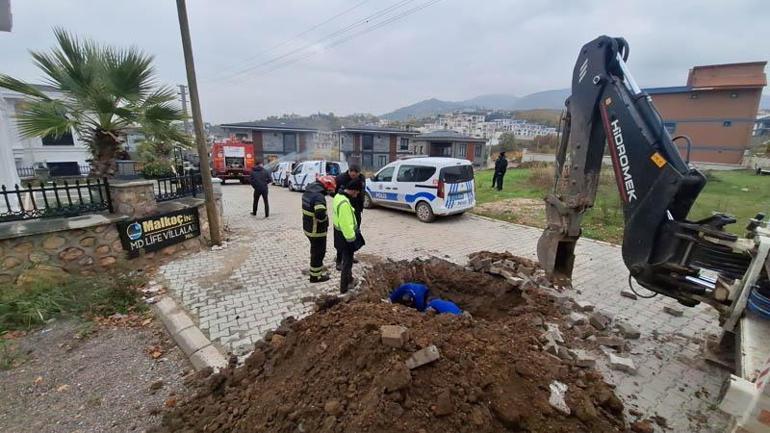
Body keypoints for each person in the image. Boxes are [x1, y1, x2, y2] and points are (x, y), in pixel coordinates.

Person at [302, 175, 336, 283]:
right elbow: (320, 214)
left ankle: (316, 272)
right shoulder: (319, 197)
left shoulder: (309, 190)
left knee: (314, 251)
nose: (329, 192)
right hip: (316, 230)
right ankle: (315, 277)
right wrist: (326, 219)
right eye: (329, 189)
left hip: (308, 227)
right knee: (318, 253)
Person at [332, 180, 365, 294]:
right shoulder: (344, 203)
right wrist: (352, 240)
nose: (356, 195)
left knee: (347, 261)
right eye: (356, 193)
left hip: (339, 234)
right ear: (353, 190)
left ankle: (349, 280)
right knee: (347, 263)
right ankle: (344, 287)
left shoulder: (338, 196)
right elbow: (346, 224)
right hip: (346, 237)